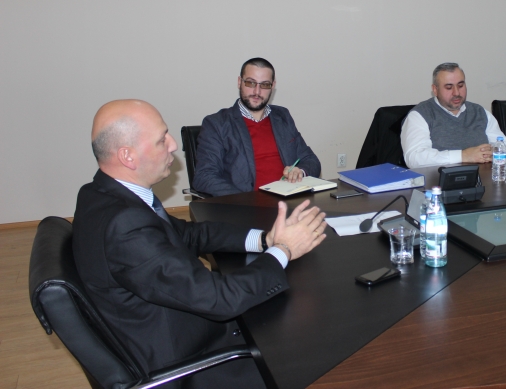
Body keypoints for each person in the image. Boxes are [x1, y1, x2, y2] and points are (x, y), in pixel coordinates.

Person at [73, 99, 327, 388]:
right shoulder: (125, 226)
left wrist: (265, 239)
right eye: (161, 140)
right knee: (312, 349)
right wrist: (284, 250)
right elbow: (221, 300)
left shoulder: (101, 194)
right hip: (191, 360)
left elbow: (189, 234)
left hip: (179, 328)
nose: (173, 145)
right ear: (127, 156)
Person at [194, 57, 321, 196]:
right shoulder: (217, 123)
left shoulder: (282, 116)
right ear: (239, 82)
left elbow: (311, 160)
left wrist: (300, 171)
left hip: (289, 199)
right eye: (250, 83)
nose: (257, 92)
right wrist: (247, 201)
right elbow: (204, 176)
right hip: (247, 204)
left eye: (265, 85)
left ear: (273, 86)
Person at [401, 62, 506, 168]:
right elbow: (414, 158)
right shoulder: (419, 115)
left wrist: (493, 151)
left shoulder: (479, 112)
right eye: (449, 87)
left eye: (460, 85)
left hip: (484, 178)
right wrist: (464, 156)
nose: (456, 93)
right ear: (435, 89)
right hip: (439, 179)